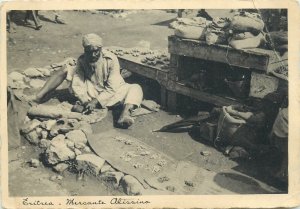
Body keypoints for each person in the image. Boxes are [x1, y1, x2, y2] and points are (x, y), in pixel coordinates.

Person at [32, 33, 143, 128]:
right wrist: (84, 100)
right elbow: (78, 83)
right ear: (85, 50)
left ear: (101, 49)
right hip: (91, 91)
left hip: (110, 94)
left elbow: (112, 88)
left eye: (96, 51)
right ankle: (38, 97)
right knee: (65, 69)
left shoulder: (110, 59)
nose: (93, 55)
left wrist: (95, 102)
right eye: (89, 52)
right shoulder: (82, 60)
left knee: (135, 88)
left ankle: (124, 115)